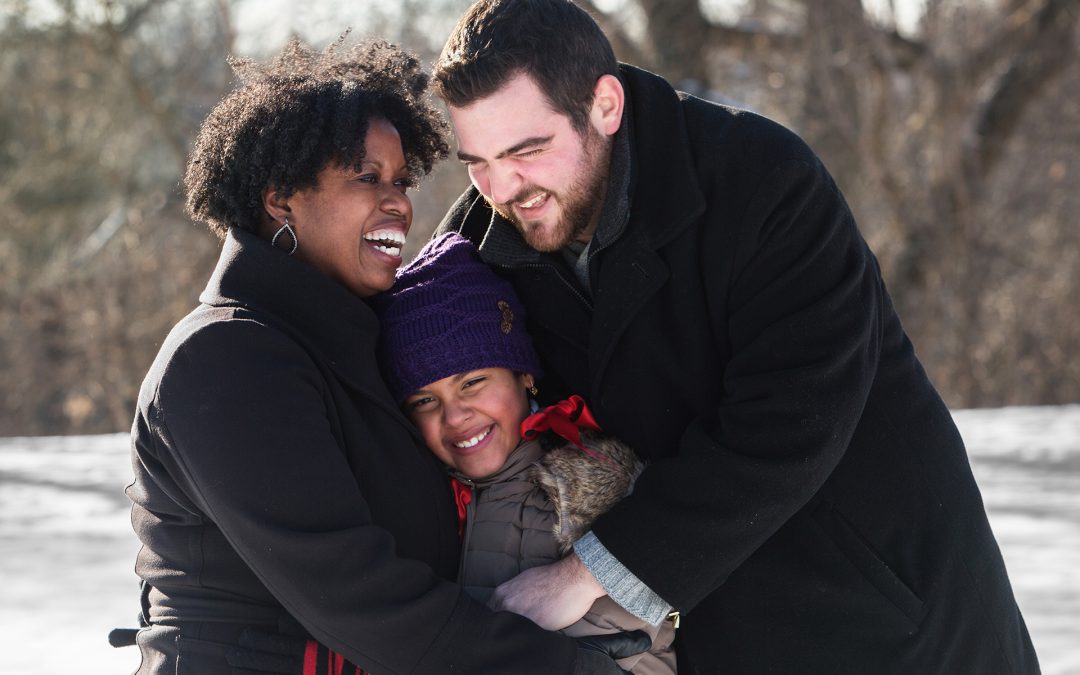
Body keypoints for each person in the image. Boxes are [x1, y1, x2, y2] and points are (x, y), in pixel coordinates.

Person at [431, 0, 1041, 672]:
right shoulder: (481, 245)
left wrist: (582, 577)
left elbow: (790, 423)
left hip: (890, 612)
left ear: (604, 105)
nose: (503, 187)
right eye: (477, 162)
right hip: (725, 632)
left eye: (527, 150)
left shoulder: (763, 182)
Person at [122, 37, 640, 674]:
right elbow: (360, 599)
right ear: (280, 199)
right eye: (366, 178)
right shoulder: (226, 359)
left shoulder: (364, 344)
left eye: (400, 180)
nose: (397, 201)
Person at [372, 231, 676, 674]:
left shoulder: (588, 486)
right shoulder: (419, 499)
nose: (455, 416)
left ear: (524, 376)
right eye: (424, 400)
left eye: (473, 382)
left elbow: (646, 652)